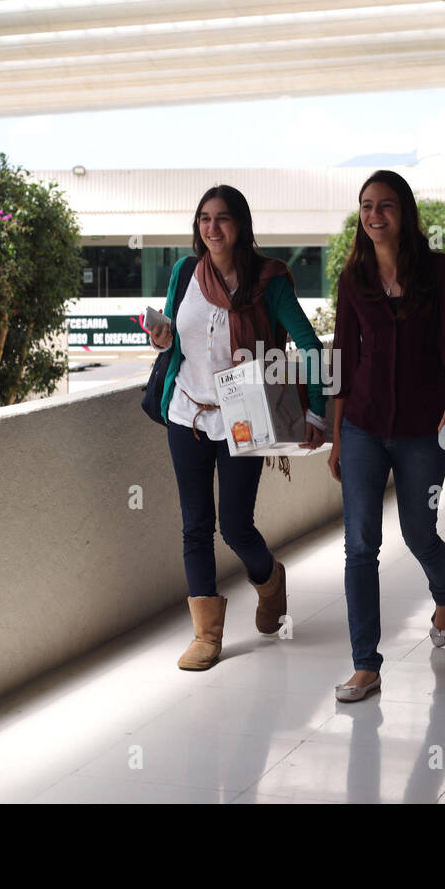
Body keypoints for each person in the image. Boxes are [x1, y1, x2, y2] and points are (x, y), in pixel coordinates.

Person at [149, 185, 328, 671]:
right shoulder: (185, 272)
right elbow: (175, 343)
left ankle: (270, 580)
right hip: (186, 413)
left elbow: (310, 346)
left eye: (222, 218)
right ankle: (206, 636)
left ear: (241, 225)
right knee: (194, 525)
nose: (212, 228)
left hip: (243, 418)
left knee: (235, 524)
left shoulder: (268, 281)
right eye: (204, 219)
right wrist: (162, 337)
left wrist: (316, 412)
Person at [328, 170, 445, 702]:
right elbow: (342, 356)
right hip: (364, 425)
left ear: (404, 212)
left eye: (384, 206)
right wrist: (338, 434)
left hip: (422, 426)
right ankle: (365, 664)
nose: (374, 216)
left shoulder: (438, 271)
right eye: (366, 206)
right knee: (360, 544)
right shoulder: (354, 278)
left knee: (418, 531)